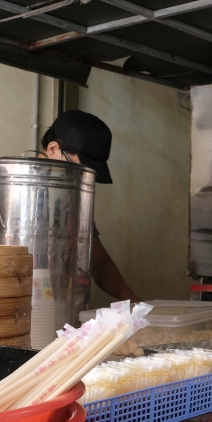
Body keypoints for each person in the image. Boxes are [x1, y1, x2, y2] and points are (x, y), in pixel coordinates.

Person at [40, 110, 141, 303]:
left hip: (66, 315)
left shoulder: (72, 199)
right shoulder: (12, 189)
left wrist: (132, 301)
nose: (82, 181)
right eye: (79, 170)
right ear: (53, 149)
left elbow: (97, 260)